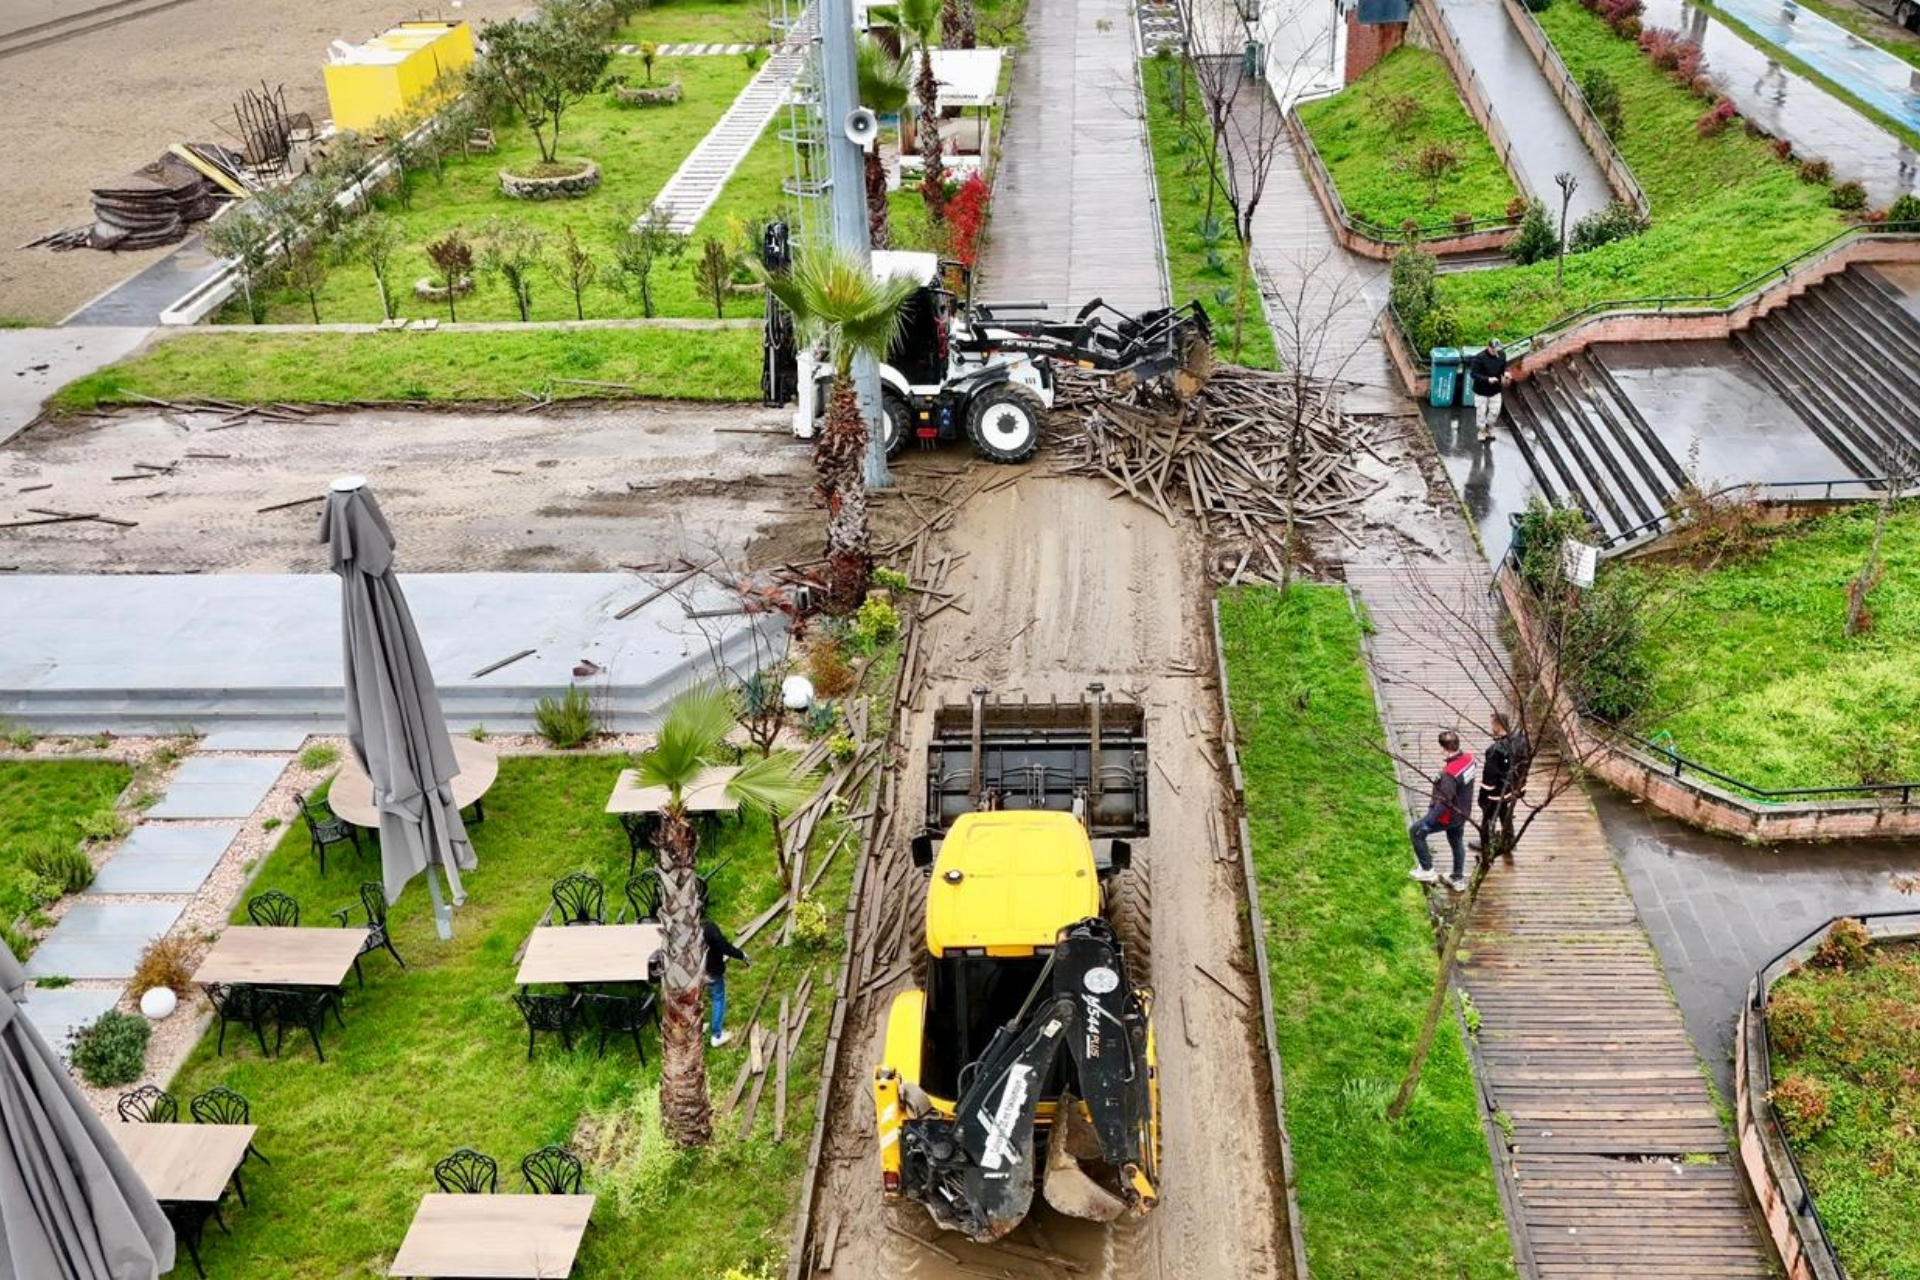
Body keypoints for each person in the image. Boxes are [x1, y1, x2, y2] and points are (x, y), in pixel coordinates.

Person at [1410, 729, 1476, 892]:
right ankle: (1457, 878)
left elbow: (1444, 802)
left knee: (1416, 831)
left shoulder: (1449, 774)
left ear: (1444, 748)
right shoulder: (1469, 759)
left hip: (1449, 816)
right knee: (1456, 842)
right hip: (1463, 812)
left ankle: (1427, 870)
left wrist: (1428, 822)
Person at [1477, 711, 1532, 859]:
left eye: (1492, 724)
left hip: (1498, 792)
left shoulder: (1494, 751)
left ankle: (1486, 844)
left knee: (1488, 816)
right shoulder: (1521, 741)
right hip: (1514, 788)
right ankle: (1509, 839)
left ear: (1497, 726)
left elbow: (1490, 777)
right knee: (1503, 810)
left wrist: (1483, 797)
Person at [704, 914, 750, 1048]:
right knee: (718, 997)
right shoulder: (709, 929)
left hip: (690, 972)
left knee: (694, 998)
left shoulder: (683, 928)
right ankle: (716, 1035)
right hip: (711, 970)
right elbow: (724, 946)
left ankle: (696, 1026)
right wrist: (742, 955)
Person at [1468, 338, 1511, 443]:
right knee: (1481, 412)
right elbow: (1473, 374)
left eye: (1497, 349)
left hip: (1495, 390)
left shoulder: (1502, 355)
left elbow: (1503, 368)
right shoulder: (1479, 358)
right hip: (1481, 390)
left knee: (1495, 411)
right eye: (1494, 349)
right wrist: (1487, 379)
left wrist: (1505, 374)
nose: (1496, 351)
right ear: (1489, 347)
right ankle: (1481, 431)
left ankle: (1489, 427)